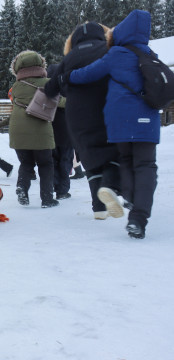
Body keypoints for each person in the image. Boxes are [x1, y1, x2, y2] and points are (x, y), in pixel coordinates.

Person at [64, 10, 160, 238]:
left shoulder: (114, 54)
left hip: (113, 119)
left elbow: (85, 74)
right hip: (146, 121)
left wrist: (65, 78)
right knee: (144, 165)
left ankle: (114, 201)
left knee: (119, 159)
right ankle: (137, 213)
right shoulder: (149, 54)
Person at [44, 22, 121, 220]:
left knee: (90, 158)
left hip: (76, 115)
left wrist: (66, 85)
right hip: (105, 108)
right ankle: (110, 187)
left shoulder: (69, 57)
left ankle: (99, 209)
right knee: (114, 152)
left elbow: (50, 89)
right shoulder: (108, 50)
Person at [6, 50, 59, 208]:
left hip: (17, 131)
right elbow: (61, 101)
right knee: (46, 164)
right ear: (41, 65)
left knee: (26, 163)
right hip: (40, 130)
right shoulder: (48, 84)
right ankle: (47, 199)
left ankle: (22, 187)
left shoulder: (15, 87)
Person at [46, 65, 74, 200]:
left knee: (53, 160)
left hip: (50, 129)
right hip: (66, 129)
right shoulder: (68, 88)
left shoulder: (47, 89)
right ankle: (62, 190)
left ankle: (54, 185)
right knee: (65, 159)